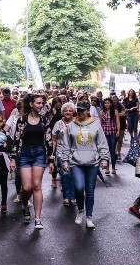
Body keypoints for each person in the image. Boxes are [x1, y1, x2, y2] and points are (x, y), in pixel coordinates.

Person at [59, 99, 109, 229]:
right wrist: (64, 160)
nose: (79, 112)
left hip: (93, 162)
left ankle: (89, 216)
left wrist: (104, 159)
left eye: (82, 110)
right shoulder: (71, 126)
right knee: (79, 188)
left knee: (90, 190)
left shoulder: (96, 124)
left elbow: (102, 143)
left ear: (88, 111)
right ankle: (80, 210)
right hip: (76, 162)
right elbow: (66, 145)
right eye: (78, 110)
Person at [14, 93, 48, 229]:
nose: (41, 106)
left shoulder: (44, 120)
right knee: (27, 187)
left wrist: (51, 158)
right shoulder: (21, 120)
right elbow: (16, 140)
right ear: (31, 104)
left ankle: (38, 218)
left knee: (36, 185)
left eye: (42, 103)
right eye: (38, 103)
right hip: (25, 154)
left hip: (39, 153)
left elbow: (49, 139)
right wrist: (13, 159)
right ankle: (25, 205)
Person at [50, 101, 76, 207]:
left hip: (74, 153)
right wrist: (53, 153)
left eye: (70, 110)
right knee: (65, 174)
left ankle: (73, 196)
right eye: (66, 110)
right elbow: (54, 139)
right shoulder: (58, 124)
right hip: (61, 152)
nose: (68, 112)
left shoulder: (76, 123)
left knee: (73, 175)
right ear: (62, 112)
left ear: (73, 112)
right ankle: (66, 196)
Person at [99, 96, 120, 175]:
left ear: (111, 104)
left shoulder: (115, 111)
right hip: (105, 133)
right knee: (106, 151)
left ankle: (113, 167)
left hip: (113, 133)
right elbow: (100, 123)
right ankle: (107, 168)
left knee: (112, 150)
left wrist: (118, 131)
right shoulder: (101, 112)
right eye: (105, 103)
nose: (106, 104)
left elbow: (117, 122)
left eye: (108, 103)